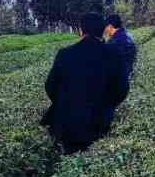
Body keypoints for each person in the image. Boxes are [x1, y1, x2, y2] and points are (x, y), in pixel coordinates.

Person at [41, 12, 129, 155]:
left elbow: (50, 86)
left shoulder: (65, 54)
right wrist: (106, 107)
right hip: (99, 123)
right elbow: (122, 89)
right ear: (103, 30)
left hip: (67, 124)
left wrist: (67, 104)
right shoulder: (113, 53)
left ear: (81, 31)